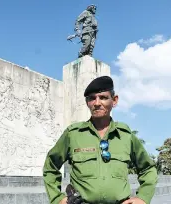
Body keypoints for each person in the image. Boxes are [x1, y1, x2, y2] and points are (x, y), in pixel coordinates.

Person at [43, 76, 158, 204]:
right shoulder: (73, 134)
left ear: (114, 100)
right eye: (92, 98)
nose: (97, 103)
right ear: (87, 102)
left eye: (103, 97)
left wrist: (143, 197)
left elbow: (148, 168)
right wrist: (57, 198)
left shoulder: (126, 135)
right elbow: (51, 166)